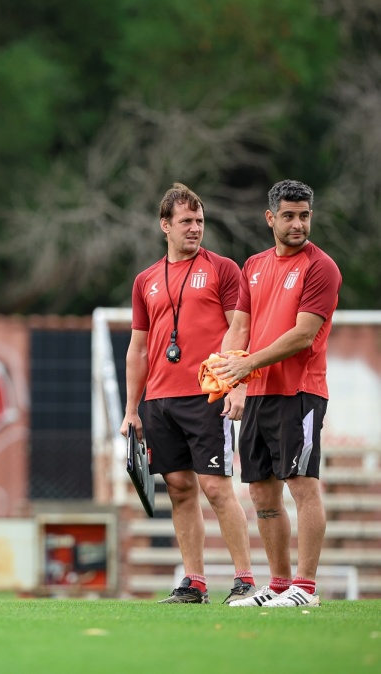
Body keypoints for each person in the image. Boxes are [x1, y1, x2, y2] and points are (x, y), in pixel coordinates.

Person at [121, 183, 254, 604]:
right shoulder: (145, 280)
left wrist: (237, 384)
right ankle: (194, 583)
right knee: (179, 488)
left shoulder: (223, 269)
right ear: (165, 225)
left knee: (216, 488)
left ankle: (245, 579)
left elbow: (241, 329)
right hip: (159, 401)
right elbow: (138, 349)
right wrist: (131, 409)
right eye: (186, 221)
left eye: (199, 221)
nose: (195, 228)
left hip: (207, 396)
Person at [214, 180, 341, 608]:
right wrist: (231, 378)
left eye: (304, 215)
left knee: (302, 485)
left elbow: (304, 335)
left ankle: (306, 588)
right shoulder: (253, 265)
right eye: (288, 215)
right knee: (262, 493)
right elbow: (240, 328)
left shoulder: (321, 267)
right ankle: (280, 585)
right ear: (270, 218)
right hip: (258, 393)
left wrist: (247, 364)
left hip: (300, 390)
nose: (297, 223)